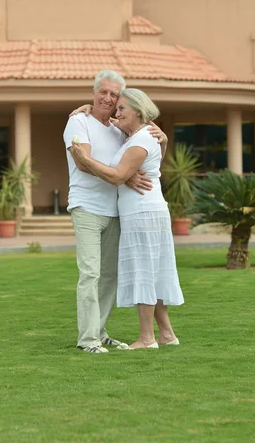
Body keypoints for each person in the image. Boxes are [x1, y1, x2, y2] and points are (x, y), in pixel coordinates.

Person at [72, 88, 184, 349]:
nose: (116, 112)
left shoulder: (141, 139)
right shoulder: (139, 134)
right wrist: (87, 109)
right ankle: (166, 334)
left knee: (144, 272)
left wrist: (84, 159)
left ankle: (146, 338)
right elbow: (106, 123)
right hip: (145, 210)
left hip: (142, 212)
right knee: (152, 273)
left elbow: (117, 176)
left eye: (122, 108)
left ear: (138, 111)